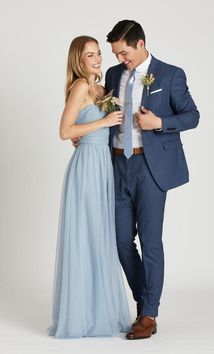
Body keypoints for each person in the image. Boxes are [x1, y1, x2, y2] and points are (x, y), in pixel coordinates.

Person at [104, 20, 200, 339]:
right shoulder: (114, 75)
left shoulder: (170, 74)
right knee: (120, 241)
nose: (120, 60)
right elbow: (107, 113)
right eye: (116, 54)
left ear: (141, 43)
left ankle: (148, 314)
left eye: (124, 52)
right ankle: (144, 299)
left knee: (150, 241)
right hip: (117, 165)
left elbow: (192, 116)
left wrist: (159, 122)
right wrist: (87, 135)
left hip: (150, 167)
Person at [47, 35, 131, 338]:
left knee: (100, 237)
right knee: (85, 236)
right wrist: (102, 123)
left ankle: (101, 310)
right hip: (86, 170)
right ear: (78, 60)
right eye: (89, 55)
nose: (96, 59)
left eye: (98, 54)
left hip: (104, 166)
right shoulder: (81, 87)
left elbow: (94, 128)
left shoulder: (101, 88)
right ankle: (81, 314)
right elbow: (64, 130)